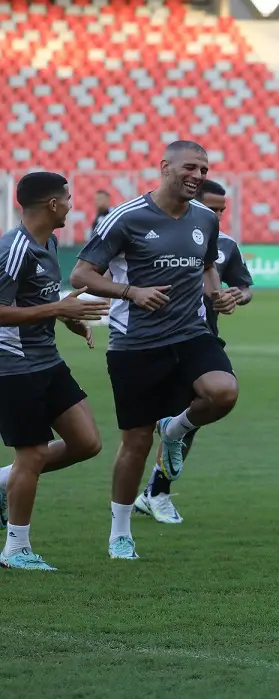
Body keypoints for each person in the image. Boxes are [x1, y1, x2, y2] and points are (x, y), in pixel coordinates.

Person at [69, 140, 240, 560]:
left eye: (204, 168)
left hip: (191, 333)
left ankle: (177, 428)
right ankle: (120, 532)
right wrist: (131, 291)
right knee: (135, 443)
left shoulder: (204, 218)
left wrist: (216, 296)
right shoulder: (125, 218)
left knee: (223, 391)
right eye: (190, 167)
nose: (198, 175)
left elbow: (207, 266)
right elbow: (81, 274)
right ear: (165, 166)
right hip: (137, 345)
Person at [0, 172, 107, 570]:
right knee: (33, 454)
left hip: (47, 360)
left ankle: (3, 482)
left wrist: (67, 319)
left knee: (86, 442)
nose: (71, 204)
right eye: (67, 198)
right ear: (51, 204)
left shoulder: (50, 241)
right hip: (13, 367)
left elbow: (37, 299)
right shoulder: (13, 249)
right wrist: (59, 309)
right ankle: (16, 549)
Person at [135, 179, 254, 525]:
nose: (217, 214)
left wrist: (237, 296)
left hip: (201, 339)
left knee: (185, 423)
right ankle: (136, 504)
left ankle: (157, 493)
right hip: (153, 340)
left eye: (222, 209)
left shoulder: (225, 244)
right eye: (212, 208)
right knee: (142, 429)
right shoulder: (158, 233)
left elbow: (244, 286)